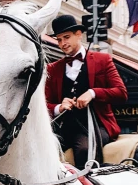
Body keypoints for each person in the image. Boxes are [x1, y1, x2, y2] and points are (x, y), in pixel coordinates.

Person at [45, 14, 127, 168]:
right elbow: (44, 105)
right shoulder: (52, 69)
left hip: (97, 126)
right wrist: (58, 107)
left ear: (78, 34)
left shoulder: (103, 60)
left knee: (85, 150)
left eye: (66, 37)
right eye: (59, 39)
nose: (62, 43)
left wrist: (93, 93)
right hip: (65, 128)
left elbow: (121, 93)